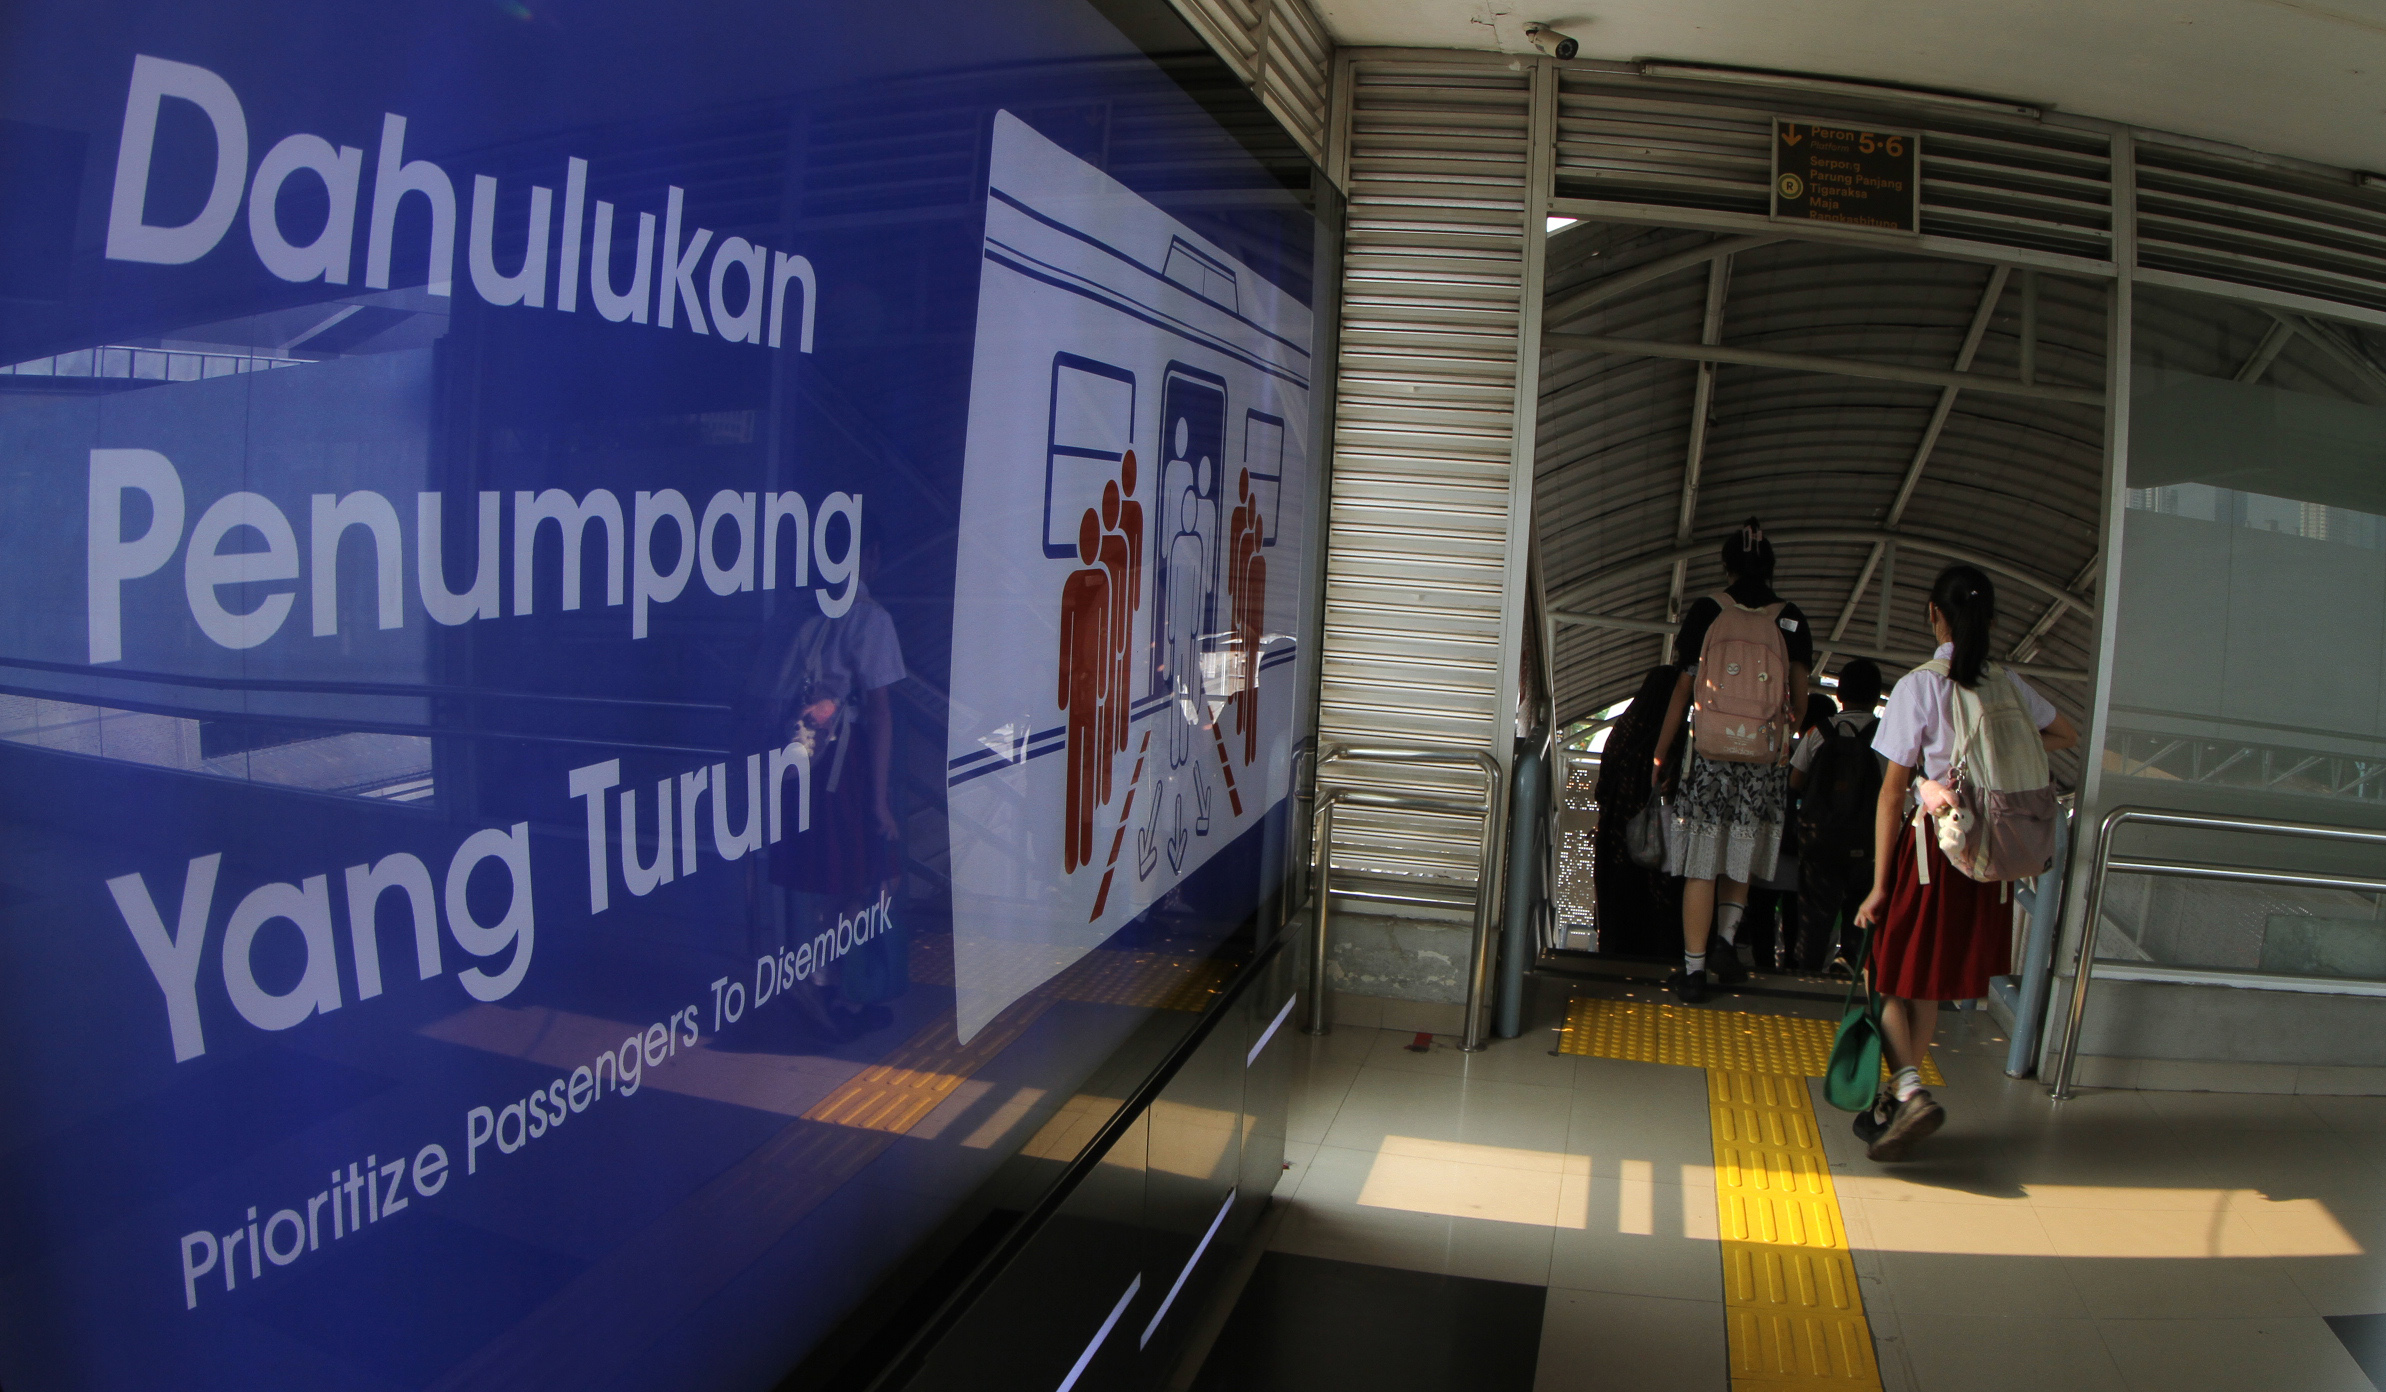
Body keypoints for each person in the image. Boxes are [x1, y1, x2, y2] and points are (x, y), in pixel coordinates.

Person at [1853, 567, 2077, 1160]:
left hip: (1935, 851)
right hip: (1990, 859)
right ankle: (1901, 1096)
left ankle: (1907, 1091)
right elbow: (2065, 733)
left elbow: (1891, 793)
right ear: (1991, 619)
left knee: (1887, 969)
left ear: (1934, 614)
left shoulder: (1921, 686)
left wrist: (1878, 886)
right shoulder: (2008, 685)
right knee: (1923, 983)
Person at [1649, 520, 1810, 1003]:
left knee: (1701, 862)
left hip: (1708, 759)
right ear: (1771, 567)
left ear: (1726, 566)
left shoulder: (1706, 611)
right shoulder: (1792, 619)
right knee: (1740, 851)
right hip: (1763, 762)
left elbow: (1683, 691)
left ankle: (1694, 973)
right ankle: (1725, 941)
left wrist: (1661, 754)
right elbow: (1799, 706)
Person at [1790, 659, 1883, 974]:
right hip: (1870, 843)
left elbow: (1794, 782)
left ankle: (1808, 972)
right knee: (1861, 909)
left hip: (1821, 842)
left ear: (1840, 694)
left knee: (1816, 915)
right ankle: (1850, 966)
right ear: (1876, 696)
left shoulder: (1819, 731)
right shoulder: (1887, 735)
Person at [1590, 665, 1683, 960]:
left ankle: (1614, 959)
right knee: (1658, 910)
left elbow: (1603, 788)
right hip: (1662, 840)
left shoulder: (1624, 731)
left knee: (1619, 903)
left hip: (1617, 836)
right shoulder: (1676, 738)